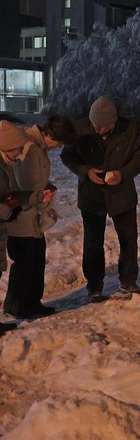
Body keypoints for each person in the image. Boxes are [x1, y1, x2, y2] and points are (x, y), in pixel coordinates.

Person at [61, 96, 140, 301]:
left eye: (103, 126)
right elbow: (67, 156)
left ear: (114, 121)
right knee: (92, 242)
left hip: (122, 195)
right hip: (91, 195)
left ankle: (128, 280)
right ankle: (94, 286)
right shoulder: (80, 128)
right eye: (95, 125)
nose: (98, 130)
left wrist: (123, 173)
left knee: (128, 239)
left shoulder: (130, 130)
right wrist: (86, 171)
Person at [4, 116, 76, 318]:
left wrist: (46, 186)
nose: (58, 147)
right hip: (22, 215)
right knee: (25, 261)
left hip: (31, 214)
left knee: (35, 259)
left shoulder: (37, 144)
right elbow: (24, 183)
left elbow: (35, 179)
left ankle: (31, 302)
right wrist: (42, 195)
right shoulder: (28, 146)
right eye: (59, 142)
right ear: (51, 135)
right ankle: (17, 305)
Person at [0, 121, 50, 331]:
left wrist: (37, 196)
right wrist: (6, 208)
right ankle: (17, 305)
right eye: (19, 149)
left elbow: (10, 195)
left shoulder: (4, 166)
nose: (22, 154)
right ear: (7, 146)